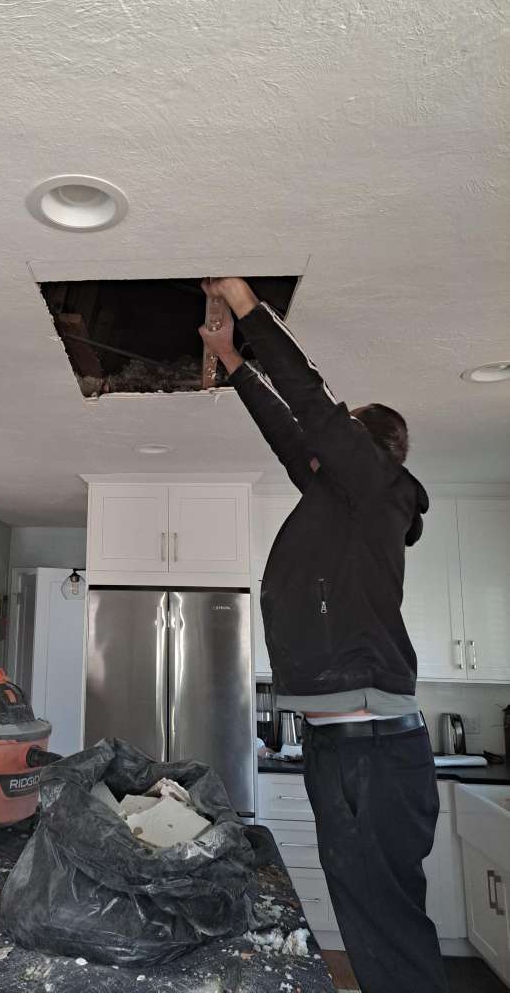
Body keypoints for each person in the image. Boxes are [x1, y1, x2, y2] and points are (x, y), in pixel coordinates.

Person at [199, 276, 446, 993]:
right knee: (373, 920)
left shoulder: (373, 485)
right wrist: (234, 363)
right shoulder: (339, 497)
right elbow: (290, 433)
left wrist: (249, 311)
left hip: (370, 754)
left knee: (385, 929)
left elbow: (308, 404)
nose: (320, 440)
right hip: (347, 750)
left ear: (365, 447)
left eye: (340, 433)